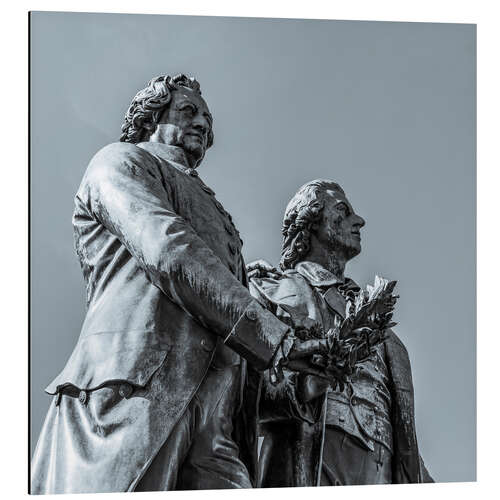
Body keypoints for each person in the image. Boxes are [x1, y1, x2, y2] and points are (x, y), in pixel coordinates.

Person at [30, 75, 330, 494]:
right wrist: (274, 340)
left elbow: (227, 326)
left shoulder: (217, 213)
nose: (203, 124)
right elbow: (168, 249)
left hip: (219, 424)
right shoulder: (120, 161)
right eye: (188, 111)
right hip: (133, 392)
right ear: (150, 118)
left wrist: (295, 376)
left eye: (208, 118)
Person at [247, 179, 433, 487]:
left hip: (381, 468)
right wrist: (305, 386)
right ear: (310, 220)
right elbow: (240, 386)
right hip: (311, 458)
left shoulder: (382, 326)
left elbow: (407, 444)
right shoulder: (269, 288)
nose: (358, 220)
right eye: (343, 211)